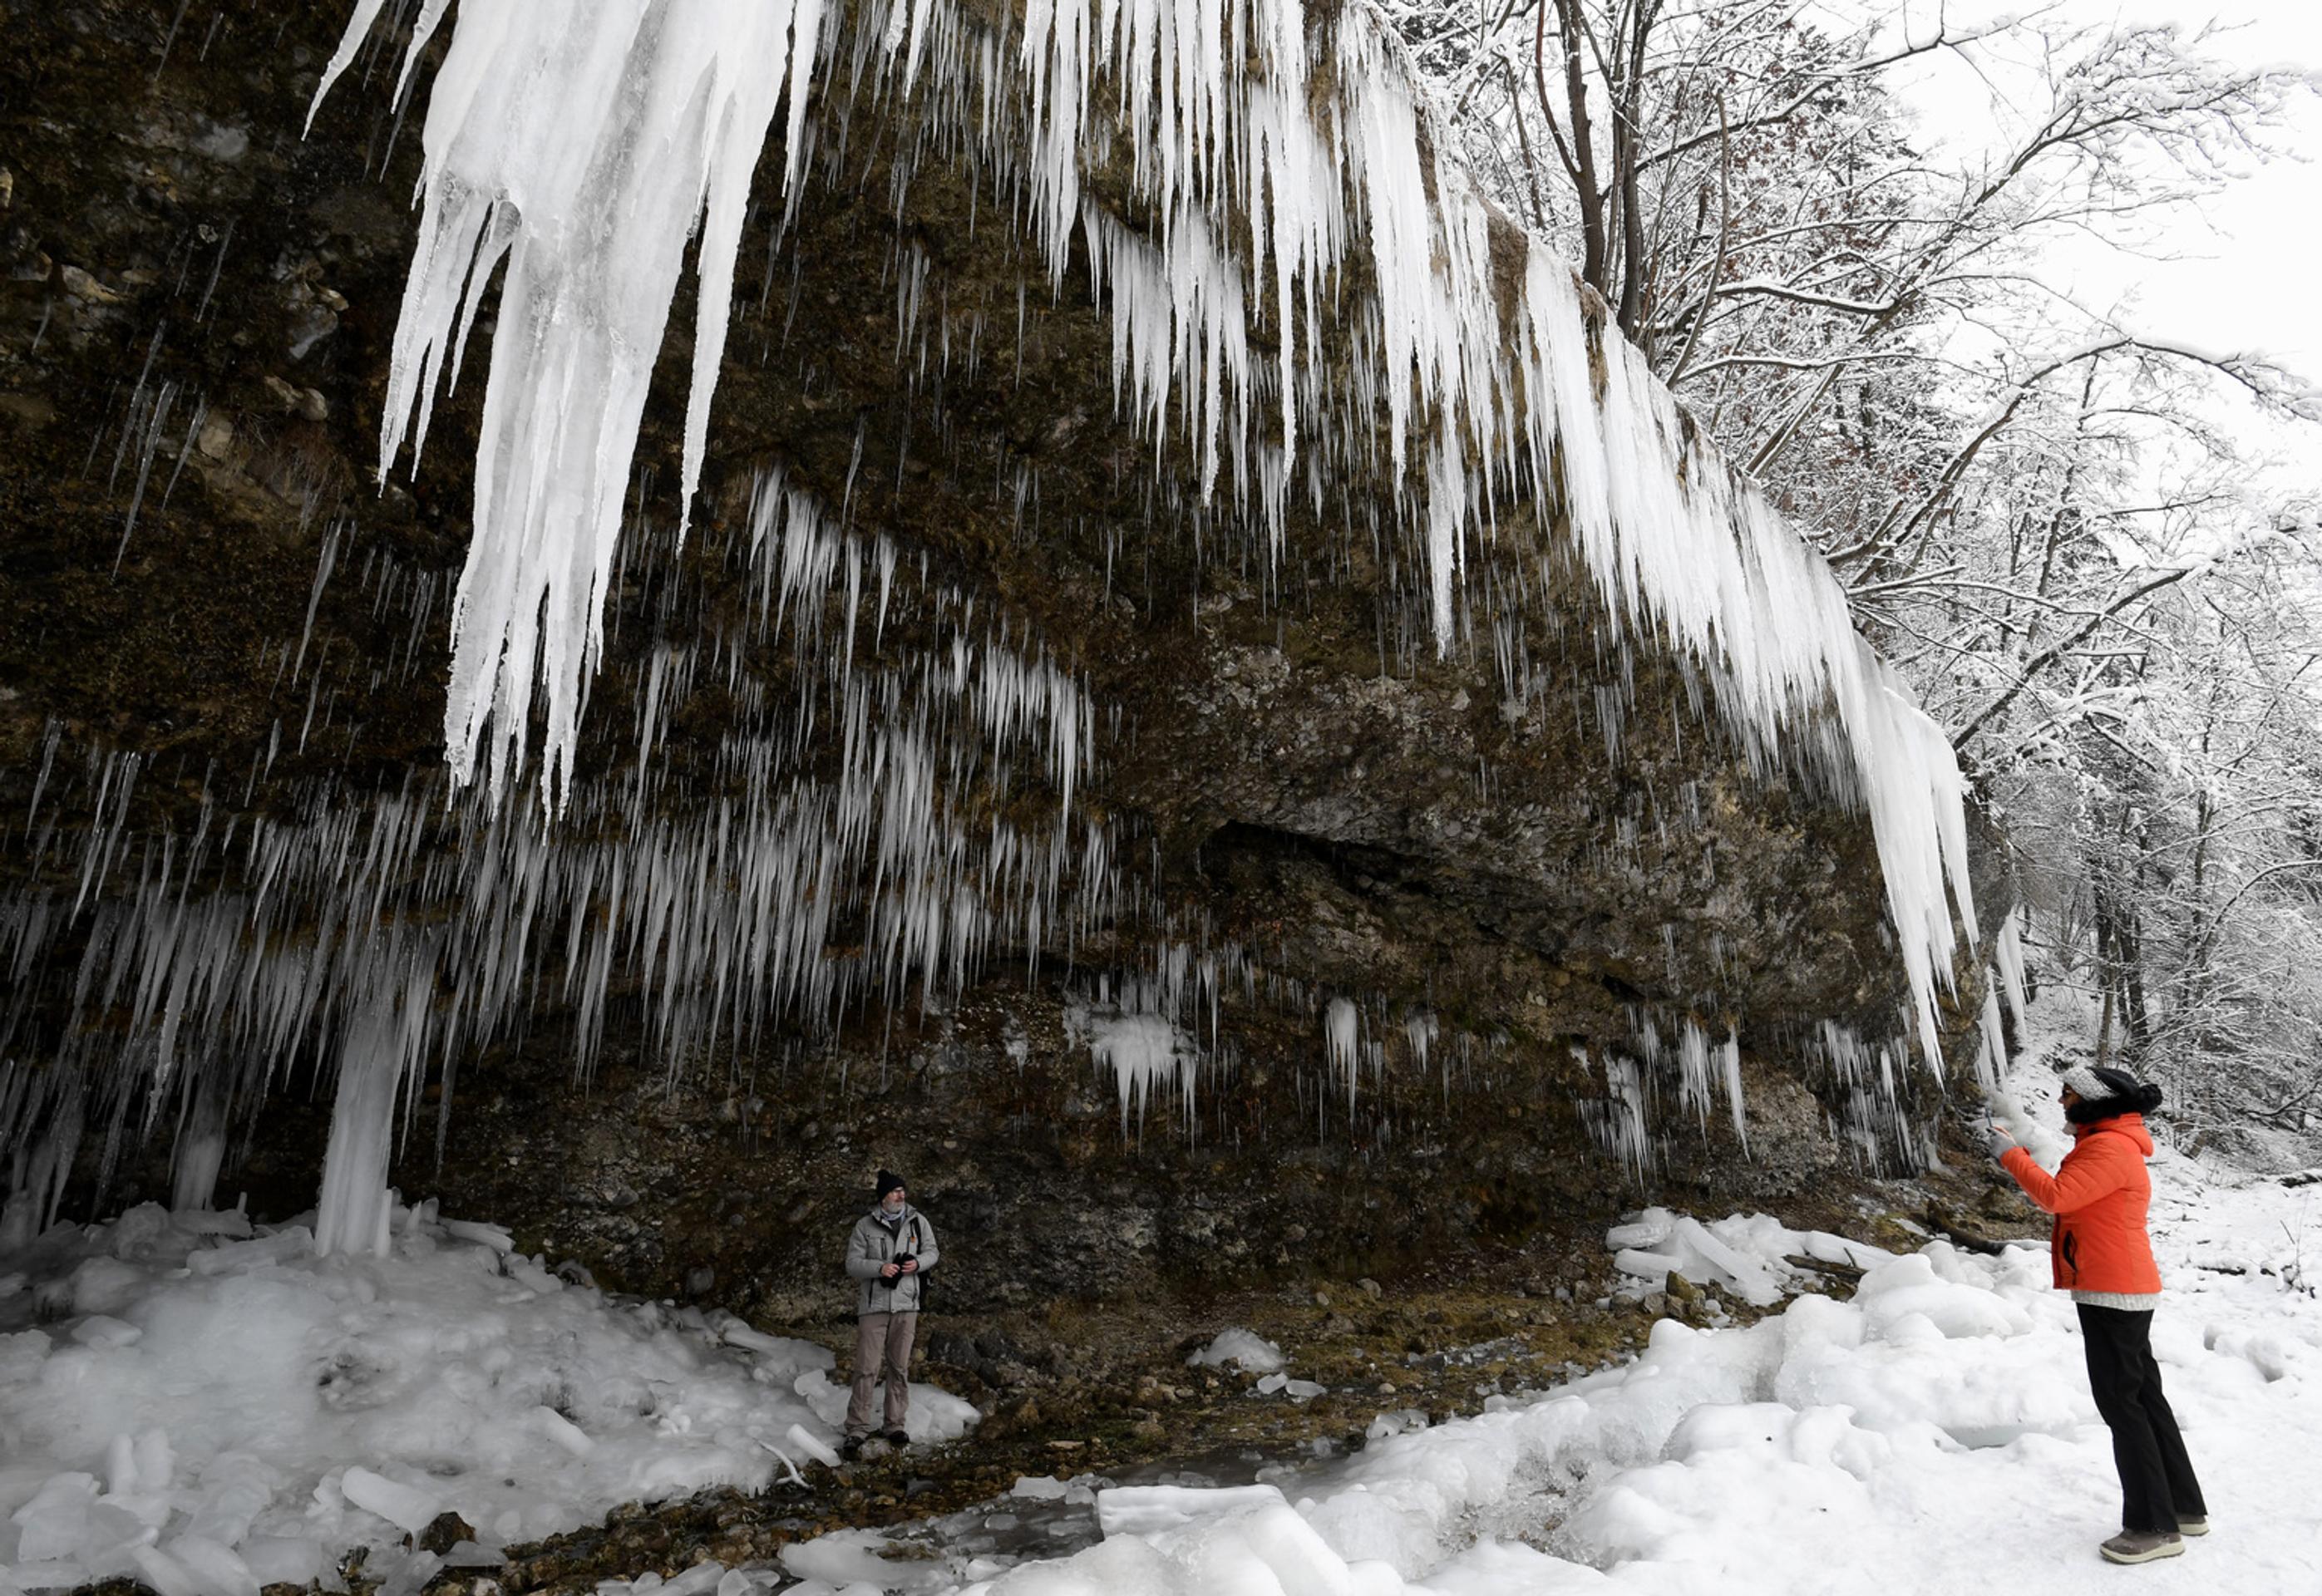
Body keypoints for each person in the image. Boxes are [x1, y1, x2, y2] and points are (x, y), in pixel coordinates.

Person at [1989, 1066, 2207, 1565]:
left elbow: (2056, 1197)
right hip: (2118, 1286)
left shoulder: (2108, 1146)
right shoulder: (2109, 1142)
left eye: (2068, 1094)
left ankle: (2154, 1527)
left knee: (2122, 1404)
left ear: (2096, 1101)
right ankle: (2182, 1508)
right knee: (2143, 1399)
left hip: (2113, 1289)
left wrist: (2010, 1155)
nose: (2061, 1101)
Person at [841, 1169, 939, 1457]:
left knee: (899, 1367)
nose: (901, 1195)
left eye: (902, 1190)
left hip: (907, 1306)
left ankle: (894, 1425)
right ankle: (856, 1429)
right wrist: (879, 1268)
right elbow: (852, 1264)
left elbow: (933, 1252)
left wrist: (917, 1263)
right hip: (874, 1306)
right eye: (896, 1191)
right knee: (866, 1368)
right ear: (883, 1196)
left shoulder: (918, 1222)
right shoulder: (864, 1226)